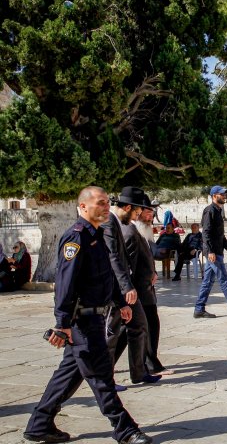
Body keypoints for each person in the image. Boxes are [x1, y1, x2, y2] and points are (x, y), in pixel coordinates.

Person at [24, 186, 151, 444]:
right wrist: (63, 324)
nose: (106, 207)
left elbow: (106, 275)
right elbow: (65, 284)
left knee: (69, 373)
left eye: (107, 203)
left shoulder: (97, 234)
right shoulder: (76, 238)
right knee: (100, 375)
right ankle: (125, 429)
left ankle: (39, 423)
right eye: (100, 203)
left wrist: (119, 302)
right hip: (82, 322)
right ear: (83, 207)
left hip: (95, 316)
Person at [103, 187, 161, 388]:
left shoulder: (122, 223)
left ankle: (138, 372)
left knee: (139, 325)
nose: (138, 216)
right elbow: (114, 258)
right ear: (127, 207)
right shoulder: (111, 223)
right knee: (112, 335)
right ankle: (106, 379)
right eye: (137, 212)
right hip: (117, 289)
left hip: (127, 287)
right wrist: (128, 286)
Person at [120, 194, 172, 377]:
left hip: (144, 287)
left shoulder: (143, 231)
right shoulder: (130, 231)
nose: (150, 216)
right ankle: (145, 365)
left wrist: (153, 272)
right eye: (148, 212)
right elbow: (126, 263)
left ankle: (147, 363)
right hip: (136, 290)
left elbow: (148, 255)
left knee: (148, 325)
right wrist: (128, 288)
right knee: (127, 331)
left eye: (152, 212)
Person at [194, 185, 227, 318]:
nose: (225, 196)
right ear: (214, 196)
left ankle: (199, 309)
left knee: (208, 282)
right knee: (224, 279)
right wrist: (210, 251)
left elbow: (220, 235)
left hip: (217, 251)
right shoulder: (209, 211)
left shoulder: (218, 211)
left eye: (225, 194)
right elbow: (205, 233)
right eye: (221, 194)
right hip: (213, 253)